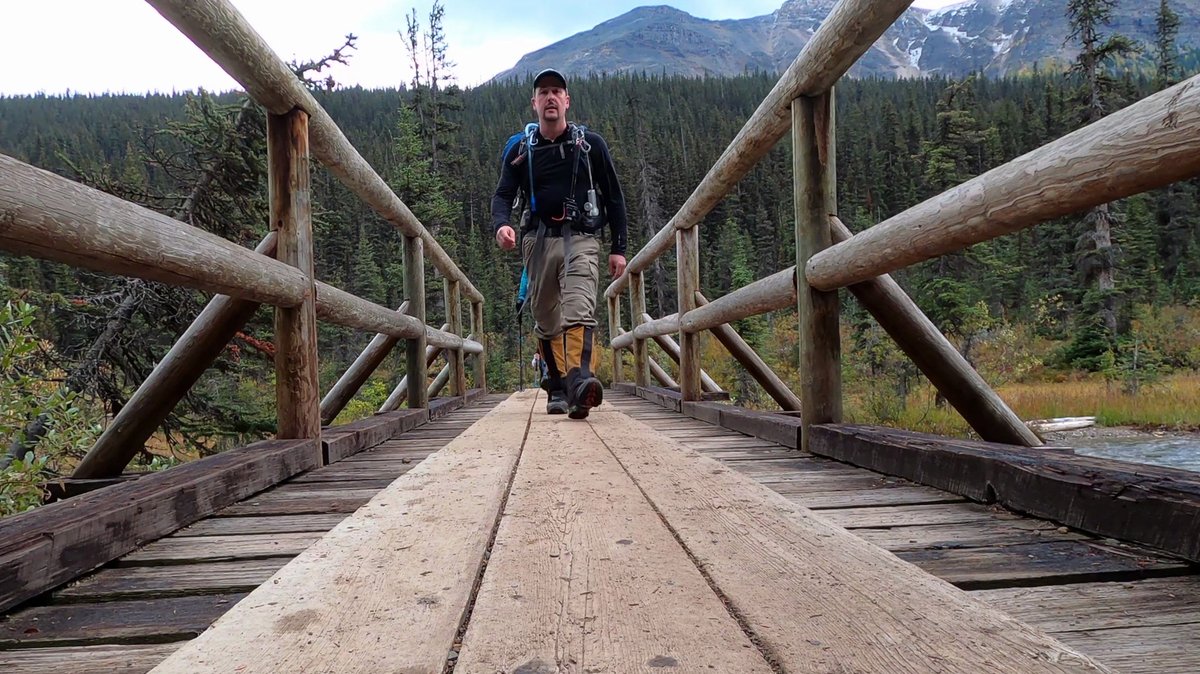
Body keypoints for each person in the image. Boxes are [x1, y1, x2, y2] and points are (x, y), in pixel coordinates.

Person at [493, 68, 628, 419]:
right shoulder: (521, 150)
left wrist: (619, 247)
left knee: (578, 307)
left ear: (567, 101)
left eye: (557, 92)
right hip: (536, 242)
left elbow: (614, 197)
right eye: (544, 92)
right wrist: (502, 226)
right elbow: (503, 195)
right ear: (534, 102)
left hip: (581, 238)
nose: (551, 97)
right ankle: (555, 385)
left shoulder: (590, 145)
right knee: (545, 316)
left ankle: (580, 383)